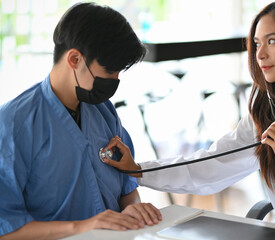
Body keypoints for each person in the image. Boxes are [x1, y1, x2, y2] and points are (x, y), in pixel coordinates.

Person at [101, 0, 275, 238]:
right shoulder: (265, 113)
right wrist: (138, 170)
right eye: (257, 44)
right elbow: (212, 164)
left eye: (272, 41)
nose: (260, 55)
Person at [0, 3, 162, 239]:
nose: (115, 80)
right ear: (74, 59)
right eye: (109, 71)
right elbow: (5, 228)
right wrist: (83, 226)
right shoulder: (14, 125)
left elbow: (127, 190)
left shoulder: (105, 113)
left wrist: (132, 208)